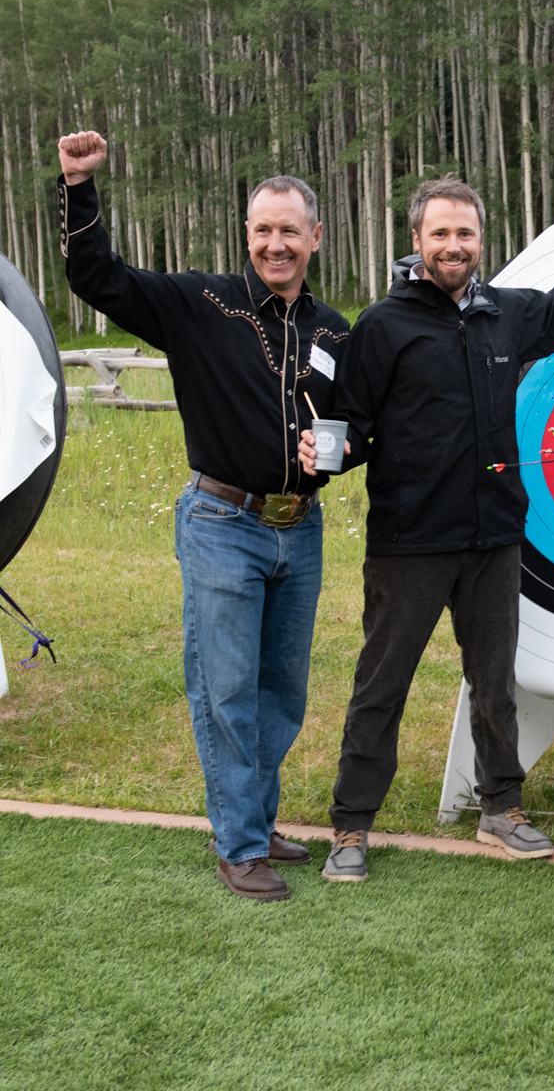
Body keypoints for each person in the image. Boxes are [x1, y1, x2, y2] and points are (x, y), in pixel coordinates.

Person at [301, 179, 554, 882]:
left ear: (479, 240)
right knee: (382, 683)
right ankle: (351, 826)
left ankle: (502, 810)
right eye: (440, 235)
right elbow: (355, 431)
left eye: (464, 234)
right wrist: (323, 455)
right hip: (409, 545)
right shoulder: (384, 325)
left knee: (494, 682)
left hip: (493, 538)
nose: (453, 247)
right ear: (417, 242)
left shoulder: (506, 315)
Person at [58, 130, 351, 902]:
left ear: (316, 237)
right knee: (225, 689)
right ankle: (239, 846)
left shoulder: (334, 333)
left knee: (279, 692)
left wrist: (339, 453)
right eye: (263, 230)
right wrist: (80, 187)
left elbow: (354, 426)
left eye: (290, 230)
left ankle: (256, 820)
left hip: (302, 531)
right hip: (223, 524)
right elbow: (96, 275)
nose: (275, 244)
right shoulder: (200, 304)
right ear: (246, 235)